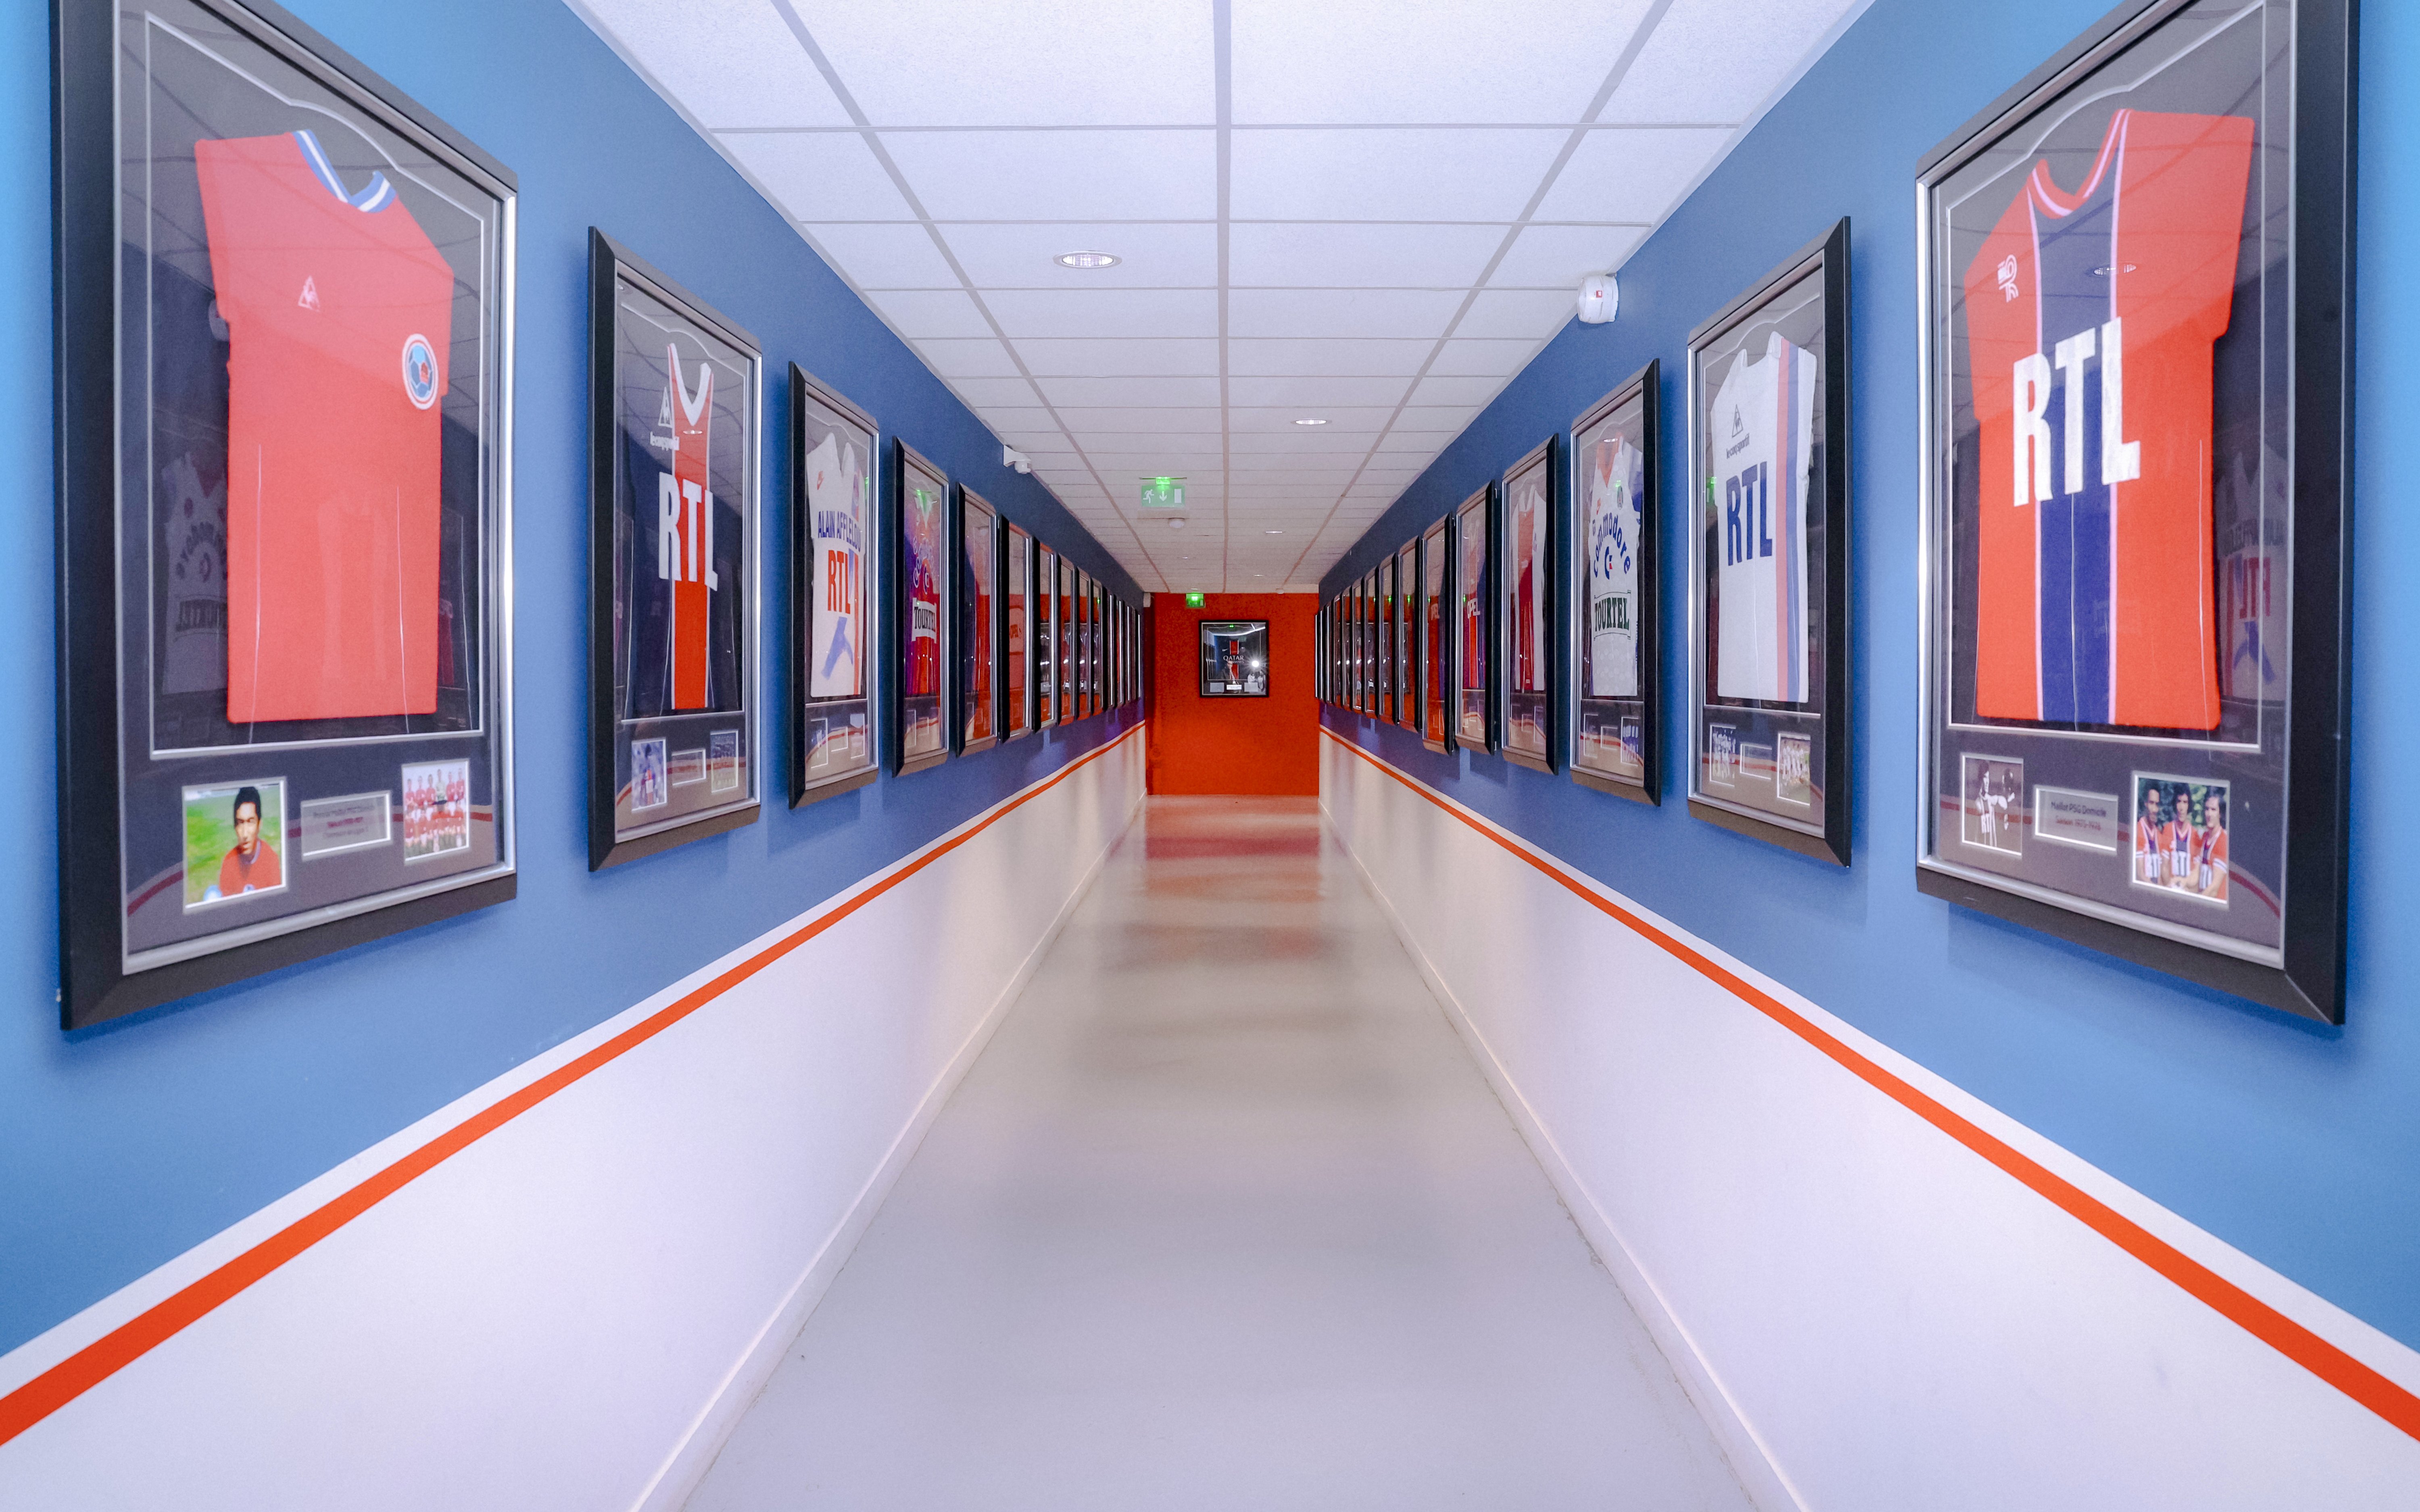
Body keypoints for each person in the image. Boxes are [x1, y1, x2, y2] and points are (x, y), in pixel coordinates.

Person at [217, 785, 281, 896]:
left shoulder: (271, 860)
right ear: (235, 827)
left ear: (259, 825)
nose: (245, 834)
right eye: (240, 823)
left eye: (251, 822)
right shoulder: (229, 863)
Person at [2136, 785, 2166, 885]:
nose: (2155, 809)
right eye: (2151, 803)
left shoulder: (2159, 834)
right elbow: (2140, 874)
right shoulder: (2138, 830)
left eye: (2157, 804)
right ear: (2145, 803)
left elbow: (2162, 874)